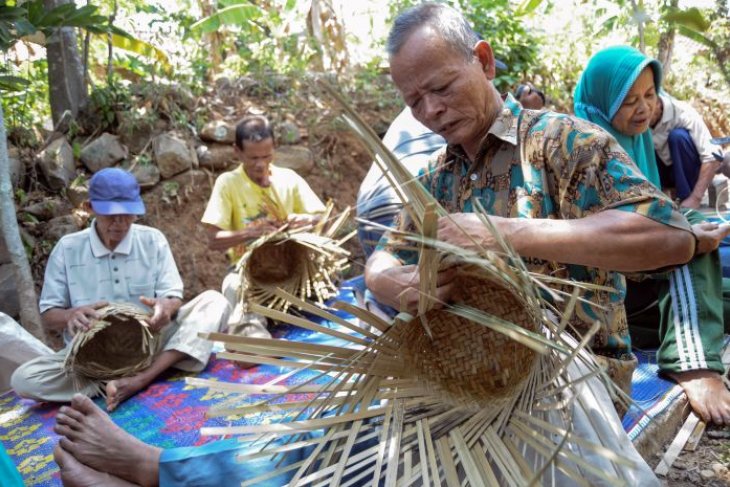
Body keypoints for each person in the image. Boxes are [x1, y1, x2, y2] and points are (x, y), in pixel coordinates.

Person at [573, 45, 730, 425]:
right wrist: (685, 232)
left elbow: (651, 207)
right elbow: (625, 236)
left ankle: (660, 332)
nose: (643, 107)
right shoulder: (586, 147)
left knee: (718, 289)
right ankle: (691, 363)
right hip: (604, 296)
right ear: (602, 102)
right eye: (628, 100)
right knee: (684, 237)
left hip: (637, 296)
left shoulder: (636, 138)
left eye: (648, 95)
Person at [10, 168, 230, 412]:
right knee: (24, 379)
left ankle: (141, 379)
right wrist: (70, 315)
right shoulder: (67, 248)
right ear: (89, 207)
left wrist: (165, 307)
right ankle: (113, 380)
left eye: (127, 214)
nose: (120, 223)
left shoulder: (152, 240)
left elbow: (172, 295)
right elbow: (49, 315)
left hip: (150, 343)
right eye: (110, 216)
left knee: (214, 302)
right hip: (91, 358)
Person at [201, 115, 326, 341]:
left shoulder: (289, 179)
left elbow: (321, 217)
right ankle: (254, 340)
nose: (260, 164)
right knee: (233, 287)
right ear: (237, 152)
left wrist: (305, 220)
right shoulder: (228, 183)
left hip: (293, 268)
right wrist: (250, 233)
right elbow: (213, 239)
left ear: (274, 149)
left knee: (325, 286)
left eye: (266, 156)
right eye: (253, 158)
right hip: (248, 271)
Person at [356, 107, 445, 259]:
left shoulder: (410, 114)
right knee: (426, 279)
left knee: (389, 277)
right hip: (405, 201)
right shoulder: (445, 115)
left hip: (366, 209)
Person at [650, 91, 730, 209]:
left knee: (677, 137)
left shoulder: (683, 112)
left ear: (658, 104)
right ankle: (661, 193)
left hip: (688, 172)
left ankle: (685, 198)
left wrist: (695, 198)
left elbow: (712, 156)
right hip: (665, 174)